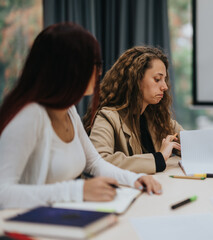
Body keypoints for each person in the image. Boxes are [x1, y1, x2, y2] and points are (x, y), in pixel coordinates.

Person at [0, 23, 161, 210]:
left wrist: (134, 179)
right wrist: (78, 191)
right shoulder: (30, 116)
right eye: (95, 65)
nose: (99, 72)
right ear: (69, 68)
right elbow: (2, 192)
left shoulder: (68, 111)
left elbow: (94, 163)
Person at [83, 46, 182, 174]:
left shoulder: (157, 116)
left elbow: (190, 141)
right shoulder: (107, 117)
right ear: (136, 79)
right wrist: (159, 158)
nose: (164, 86)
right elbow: (98, 162)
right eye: (157, 79)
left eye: (164, 80)